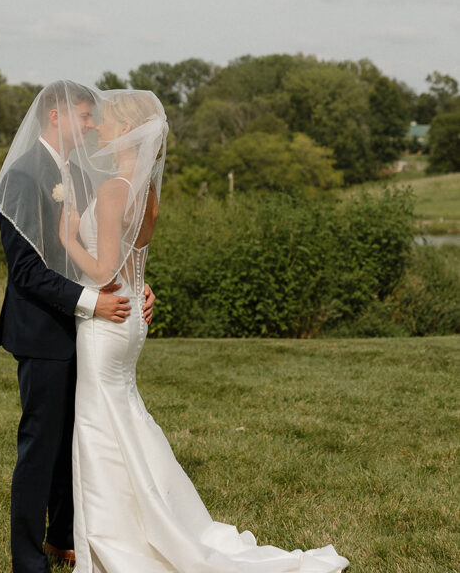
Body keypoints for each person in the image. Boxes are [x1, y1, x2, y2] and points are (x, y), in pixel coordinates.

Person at [58, 88, 349, 573]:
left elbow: (107, 271)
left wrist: (69, 239)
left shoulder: (112, 189)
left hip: (107, 323)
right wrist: (142, 287)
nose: (99, 127)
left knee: (98, 426)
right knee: (125, 419)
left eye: (107, 121)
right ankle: (148, 523)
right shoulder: (146, 191)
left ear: (127, 131)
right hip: (131, 319)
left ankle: (115, 541)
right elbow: (133, 264)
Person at [0, 81, 155, 573]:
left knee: (75, 439)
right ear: (57, 116)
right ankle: (27, 557)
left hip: (89, 323)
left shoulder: (81, 174)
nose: (91, 126)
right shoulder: (23, 176)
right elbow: (25, 271)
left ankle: (64, 535)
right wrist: (94, 303)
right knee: (40, 446)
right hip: (43, 330)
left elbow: (112, 242)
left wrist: (138, 283)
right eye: (85, 117)